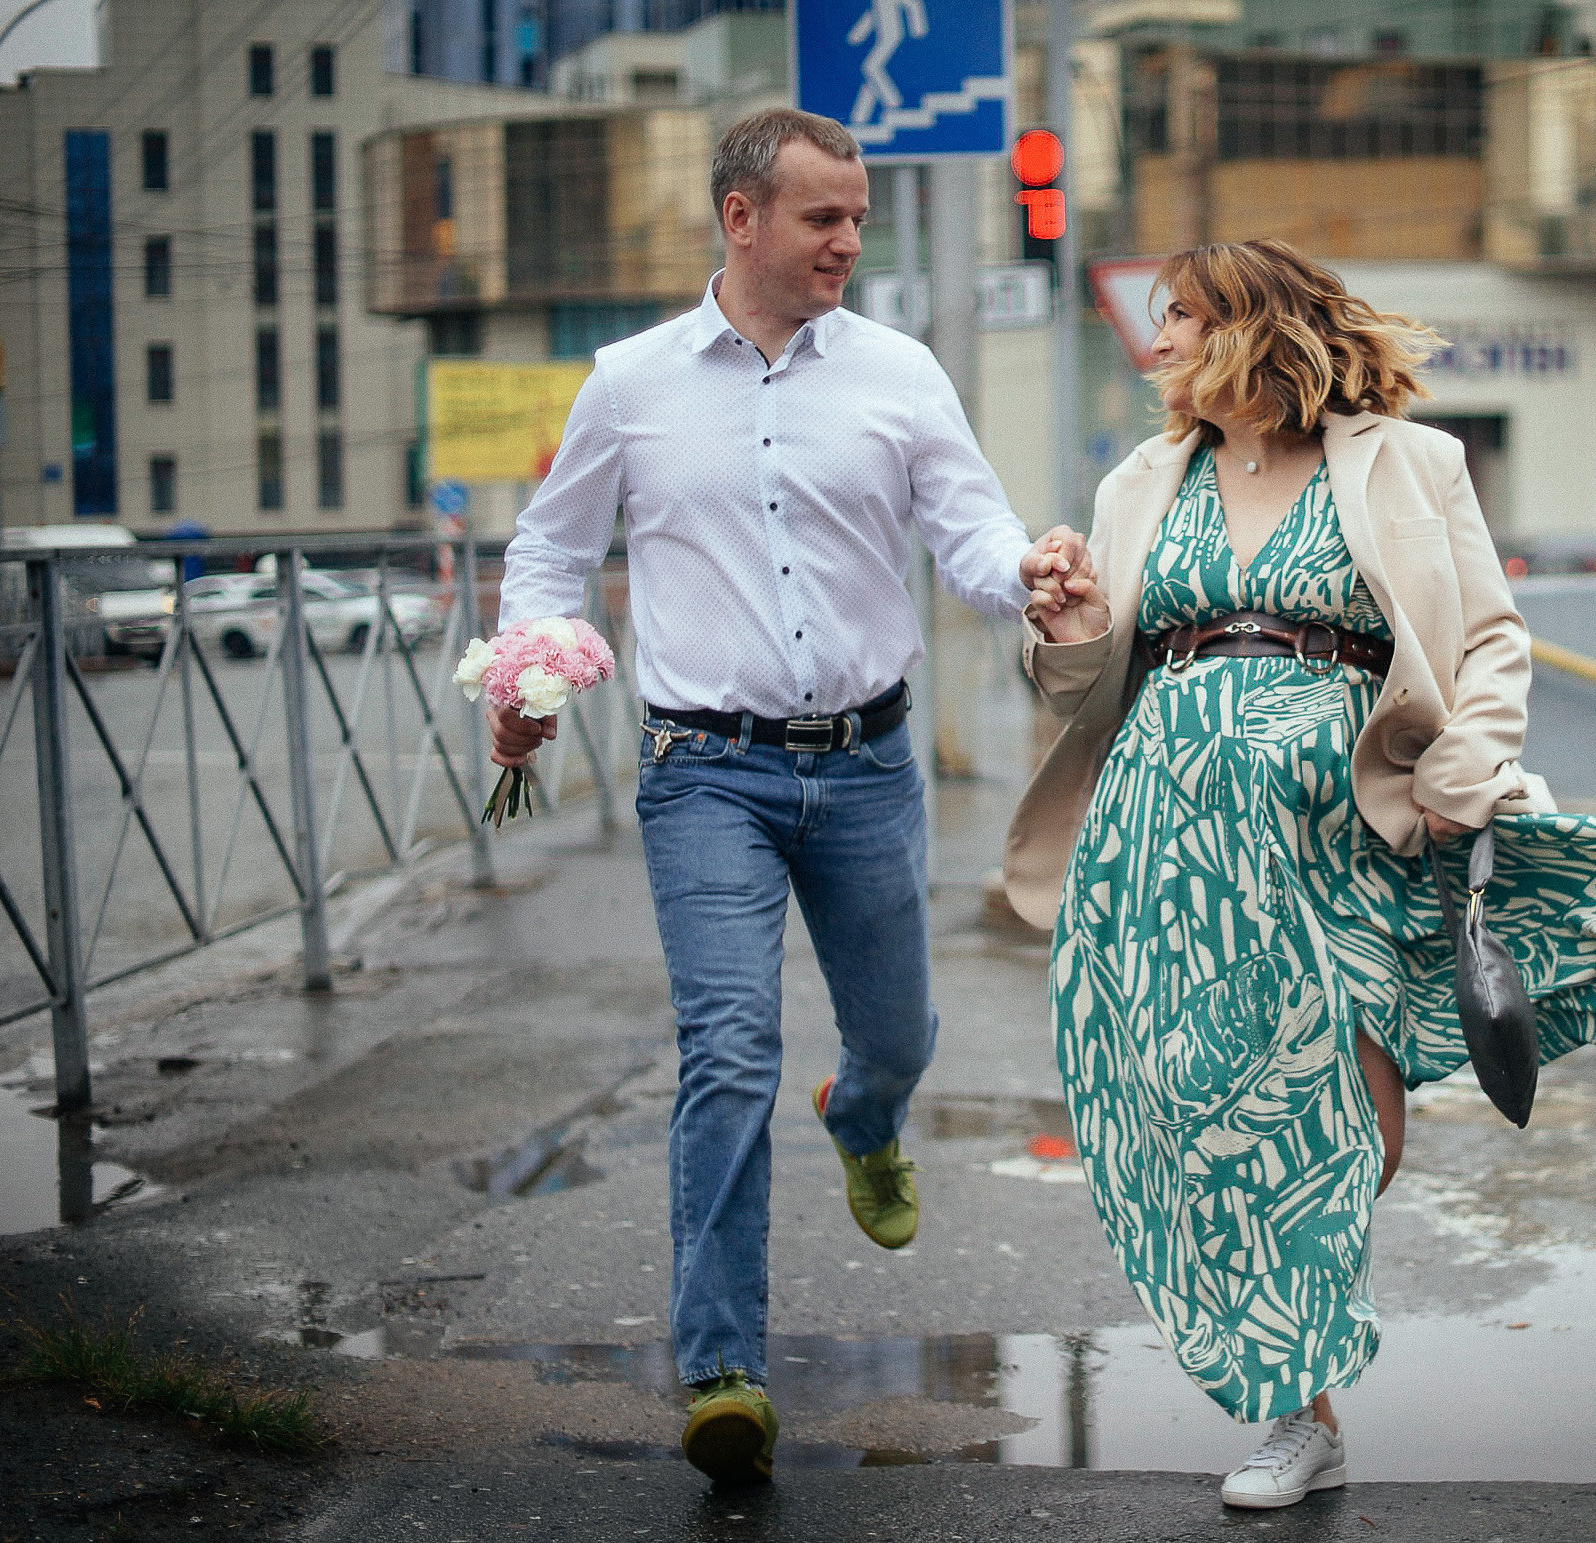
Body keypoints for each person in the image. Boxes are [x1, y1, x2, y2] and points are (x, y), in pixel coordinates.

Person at [1005, 239, 1596, 1509]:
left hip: (1341, 825)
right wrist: (1064, 624)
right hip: (1166, 842)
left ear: (1251, 329)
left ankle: (1299, 1342)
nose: (1158, 340)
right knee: (1197, 1111)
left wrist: (1469, 767)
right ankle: (1301, 1412)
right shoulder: (1139, 482)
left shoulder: (1404, 461)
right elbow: (1088, 682)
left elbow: (1492, 635)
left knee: (1353, 1129)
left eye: (1182, 317)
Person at [490, 107, 1093, 1487]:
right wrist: (531, 663)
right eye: (824, 217)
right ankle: (721, 1367)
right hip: (705, 769)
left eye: (860, 219)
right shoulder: (629, 383)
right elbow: (548, 551)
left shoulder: (896, 372)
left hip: (868, 766)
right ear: (740, 217)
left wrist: (1033, 572)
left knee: (899, 1031)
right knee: (727, 1049)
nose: (847, 242)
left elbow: (969, 528)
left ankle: (867, 1115)